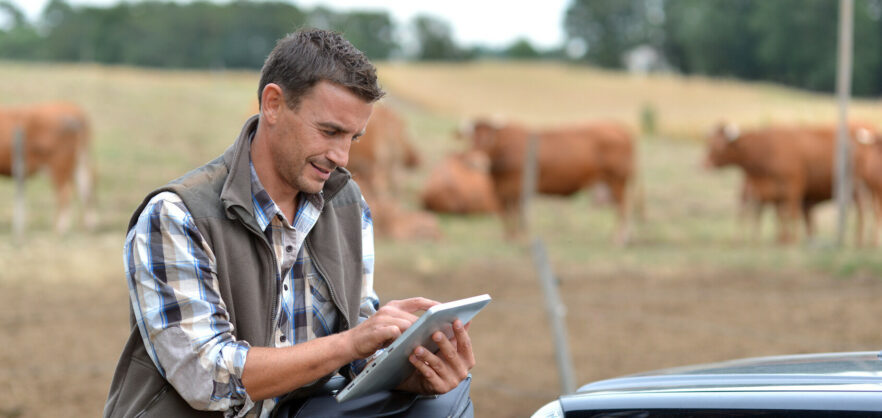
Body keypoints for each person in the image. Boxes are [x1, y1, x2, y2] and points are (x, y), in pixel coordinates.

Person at [103, 28, 475, 418]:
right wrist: (352, 343)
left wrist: (409, 373)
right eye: (330, 131)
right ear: (274, 104)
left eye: (353, 137)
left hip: (299, 410)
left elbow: (357, 348)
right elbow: (206, 377)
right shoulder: (177, 215)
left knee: (442, 404)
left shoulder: (347, 204)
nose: (342, 156)